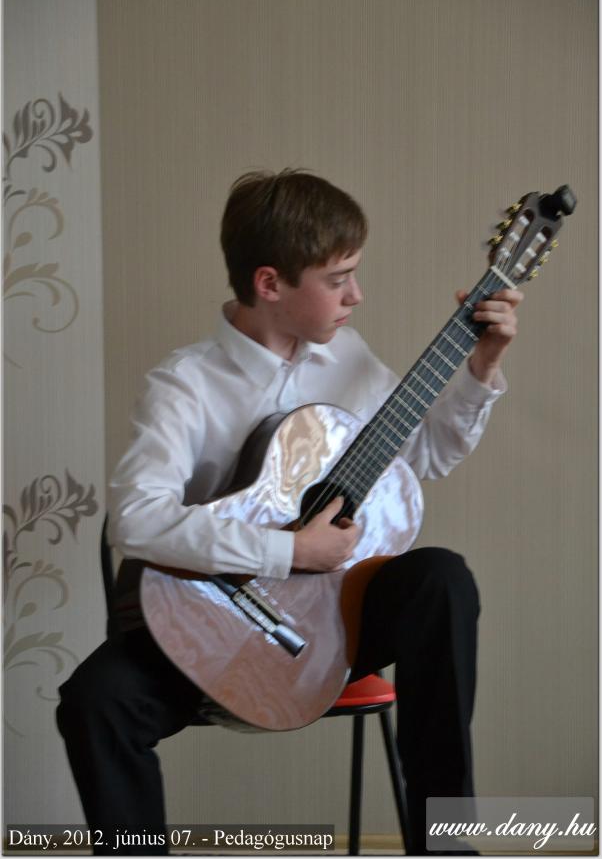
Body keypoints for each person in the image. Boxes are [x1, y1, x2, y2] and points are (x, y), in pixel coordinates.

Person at [57, 169, 522, 855]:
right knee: (95, 701)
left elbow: (423, 456)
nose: (356, 295)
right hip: (214, 625)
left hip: (335, 623)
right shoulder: (186, 384)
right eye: (339, 279)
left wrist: (482, 367)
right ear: (270, 283)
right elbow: (136, 519)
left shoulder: (347, 357)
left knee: (440, 578)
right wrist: (289, 552)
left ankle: (446, 846)